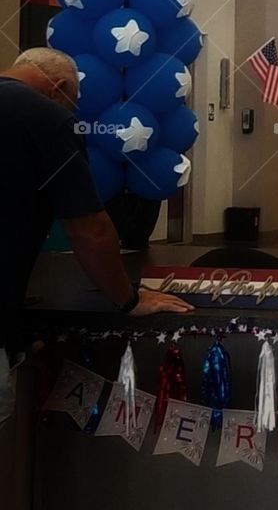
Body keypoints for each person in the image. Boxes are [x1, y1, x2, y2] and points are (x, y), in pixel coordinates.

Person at [0, 48, 192, 406]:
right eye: (72, 102)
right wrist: (129, 299)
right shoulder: (46, 116)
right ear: (58, 88)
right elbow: (89, 229)